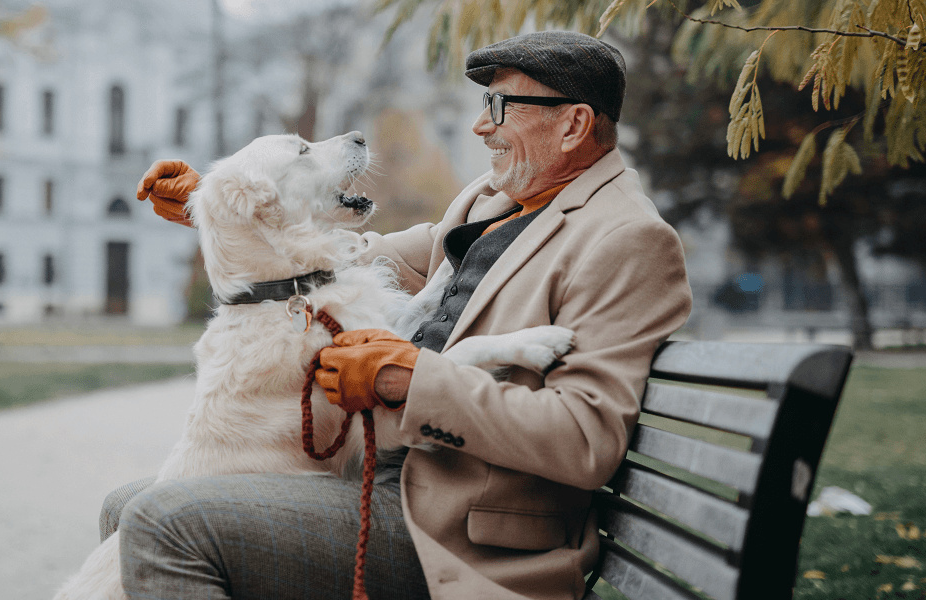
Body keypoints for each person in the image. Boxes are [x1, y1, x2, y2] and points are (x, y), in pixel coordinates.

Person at [121, 31, 692, 600]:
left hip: (453, 532)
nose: (480, 126)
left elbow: (584, 440)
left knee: (161, 523)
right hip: (388, 476)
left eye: (499, 107)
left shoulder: (627, 238)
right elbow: (358, 257)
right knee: (125, 509)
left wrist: (407, 380)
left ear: (573, 125)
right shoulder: (492, 201)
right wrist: (230, 207)